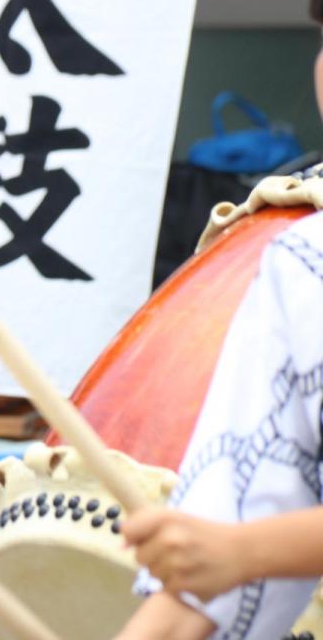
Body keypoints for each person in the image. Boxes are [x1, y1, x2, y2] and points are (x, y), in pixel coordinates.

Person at [115, 208, 323, 639]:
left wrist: (245, 553)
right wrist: (230, 554)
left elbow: (230, 550)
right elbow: (202, 581)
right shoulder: (305, 258)